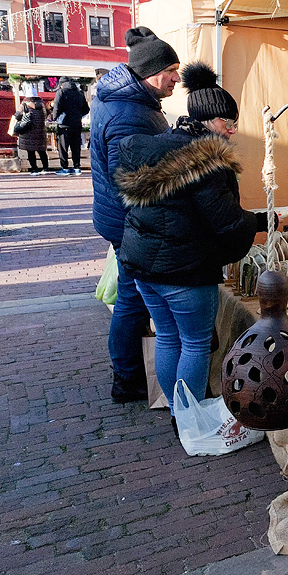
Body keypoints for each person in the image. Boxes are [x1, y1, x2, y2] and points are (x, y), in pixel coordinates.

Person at [115, 61, 265, 423]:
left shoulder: (153, 148)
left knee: (167, 337)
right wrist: (261, 221)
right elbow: (227, 225)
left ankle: (176, 410)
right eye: (228, 123)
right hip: (184, 270)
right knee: (195, 344)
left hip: (143, 265)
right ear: (212, 121)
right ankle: (189, 417)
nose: (231, 132)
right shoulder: (209, 162)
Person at [91, 27, 180, 403]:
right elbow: (132, 182)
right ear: (149, 73)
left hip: (118, 218)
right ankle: (127, 378)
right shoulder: (130, 113)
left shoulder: (129, 102)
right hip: (129, 223)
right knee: (131, 300)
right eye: (171, 70)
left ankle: (127, 373)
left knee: (133, 298)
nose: (177, 78)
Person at [51, 76, 89, 175]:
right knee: (76, 147)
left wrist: (55, 117)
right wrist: (77, 115)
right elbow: (86, 109)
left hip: (64, 124)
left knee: (63, 147)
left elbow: (57, 107)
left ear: (61, 84)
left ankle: (65, 168)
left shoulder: (61, 92)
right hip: (77, 124)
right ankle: (77, 167)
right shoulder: (80, 93)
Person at [16, 96, 49, 174]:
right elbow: (47, 114)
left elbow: (17, 116)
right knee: (42, 151)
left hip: (28, 131)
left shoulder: (24, 103)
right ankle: (45, 168)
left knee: (30, 151)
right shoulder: (42, 104)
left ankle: (34, 169)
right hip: (40, 131)